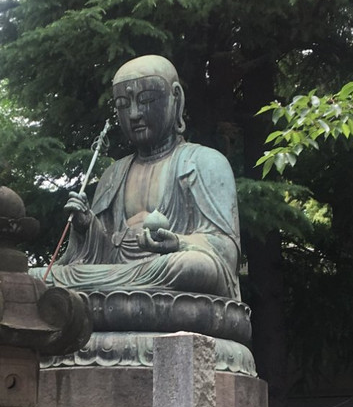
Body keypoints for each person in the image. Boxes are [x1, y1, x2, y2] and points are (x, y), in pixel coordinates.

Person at [37, 55, 242, 301]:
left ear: (175, 98)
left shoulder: (204, 162)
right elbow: (101, 253)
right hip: (120, 274)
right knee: (40, 277)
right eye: (123, 104)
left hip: (168, 269)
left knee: (193, 267)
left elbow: (226, 252)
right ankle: (114, 296)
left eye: (146, 100)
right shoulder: (114, 174)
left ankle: (106, 298)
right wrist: (86, 226)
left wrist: (177, 242)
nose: (134, 114)